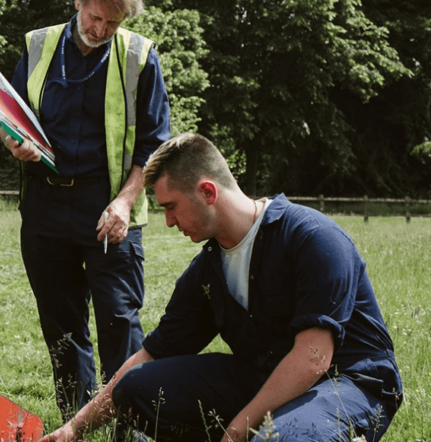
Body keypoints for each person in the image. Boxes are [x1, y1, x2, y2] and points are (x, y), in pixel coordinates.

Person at [39, 133, 404, 442]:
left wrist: (237, 430)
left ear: (208, 192)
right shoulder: (208, 270)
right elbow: (149, 356)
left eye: (171, 207)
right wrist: (72, 430)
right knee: (135, 390)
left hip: (348, 382)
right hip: (268, 378)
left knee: (281, 438)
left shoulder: (312, 238)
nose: (168, 222)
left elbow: (314, 358)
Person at [2, 0, 171, 419]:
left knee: (119, 318)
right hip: (45, 203)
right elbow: (10, 116)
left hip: (109, 207)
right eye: (96, 18)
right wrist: (13, 141)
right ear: (79, 2)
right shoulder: (38, 45)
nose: (101, 30)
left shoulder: (140, 57)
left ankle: (130, 419)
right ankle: (79, 419)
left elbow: (156, 146)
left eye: (112, 23)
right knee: (61, 324)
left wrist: (124, 201)